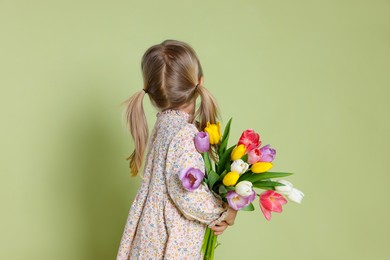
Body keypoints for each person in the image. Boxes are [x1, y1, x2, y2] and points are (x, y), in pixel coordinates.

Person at [116, 40, 237, 260]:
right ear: (199, 82)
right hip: (170, 243)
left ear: (152, 92)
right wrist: (225, 211)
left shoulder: (163, 125)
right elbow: (187, 195)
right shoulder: (184, 135)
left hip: (150, 239)